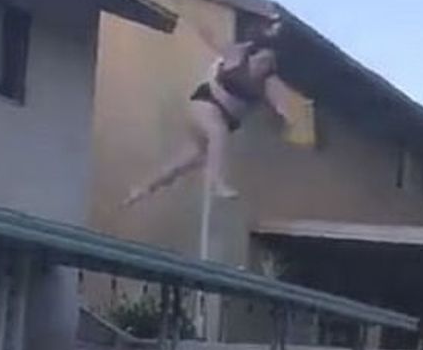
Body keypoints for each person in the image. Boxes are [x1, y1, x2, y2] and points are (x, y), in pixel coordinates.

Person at [121, 15, 295, 207]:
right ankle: (216, 183)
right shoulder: (237, 55)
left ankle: (142, 188)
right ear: (254, 54)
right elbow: (213, 40)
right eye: (262, 60)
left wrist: (282, 119)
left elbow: (277, 111)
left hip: (223, 118)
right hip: (205, 103)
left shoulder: (267, 85)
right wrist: (198, 24)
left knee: (187, 160)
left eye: (268, 64)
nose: (263, 67)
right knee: (217, 132)